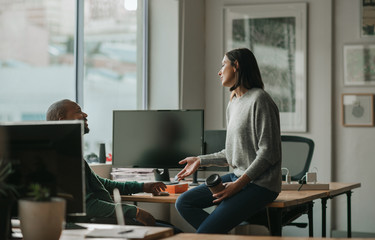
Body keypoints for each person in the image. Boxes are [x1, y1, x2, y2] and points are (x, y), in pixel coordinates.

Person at [175, 48, 282, 234]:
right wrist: (200, 160)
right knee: (184, 202)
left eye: (223, 64)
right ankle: (215, 233)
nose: (219, 71)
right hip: (238, 177)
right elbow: (231, 153)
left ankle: (212, 233)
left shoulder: (260, 100)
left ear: (236, 66)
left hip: (261, 185)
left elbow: (268, 153)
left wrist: (237, 186)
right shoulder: (233, 103)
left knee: (205, 234)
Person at [46, 99, 178, 230]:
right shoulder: (63, 157)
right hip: (93, 224)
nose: (85, 115)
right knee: (173, 231)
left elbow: (101, 184)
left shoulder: (71, 152)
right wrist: (135, 212)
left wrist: (143, 186)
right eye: (79, 111)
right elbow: (87, 206)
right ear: (62, 120)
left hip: (103, 219)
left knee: (170, 227)